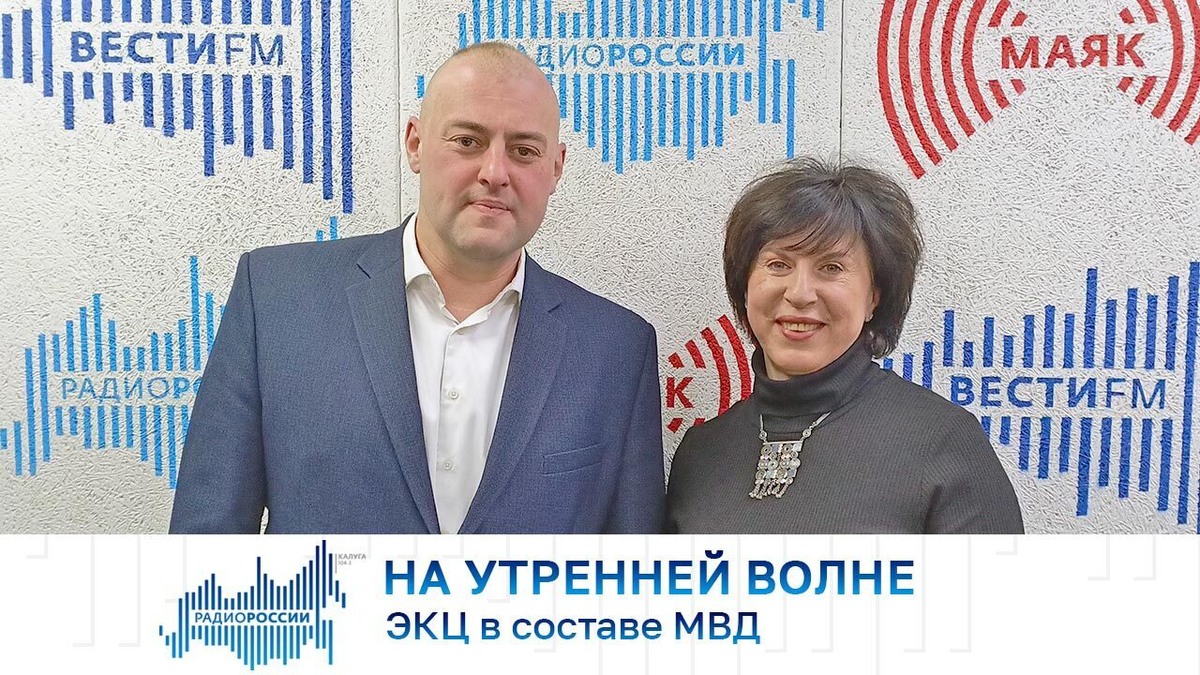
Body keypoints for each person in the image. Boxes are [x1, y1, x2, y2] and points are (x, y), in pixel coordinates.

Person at [170, 42, 665, 534]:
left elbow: (634, 569)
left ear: (556, 167)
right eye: (467, 141)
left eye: (524, 151)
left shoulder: (617, 350)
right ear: (415, 144)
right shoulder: (277, 300)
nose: (495, 173)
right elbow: (205, 545)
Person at [666, 158, 1023, 534]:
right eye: (778, 265)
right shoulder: (700, 452)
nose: (800, 294)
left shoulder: (943, 442)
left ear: (874, 297)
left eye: (831, 268)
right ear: (745, 286)